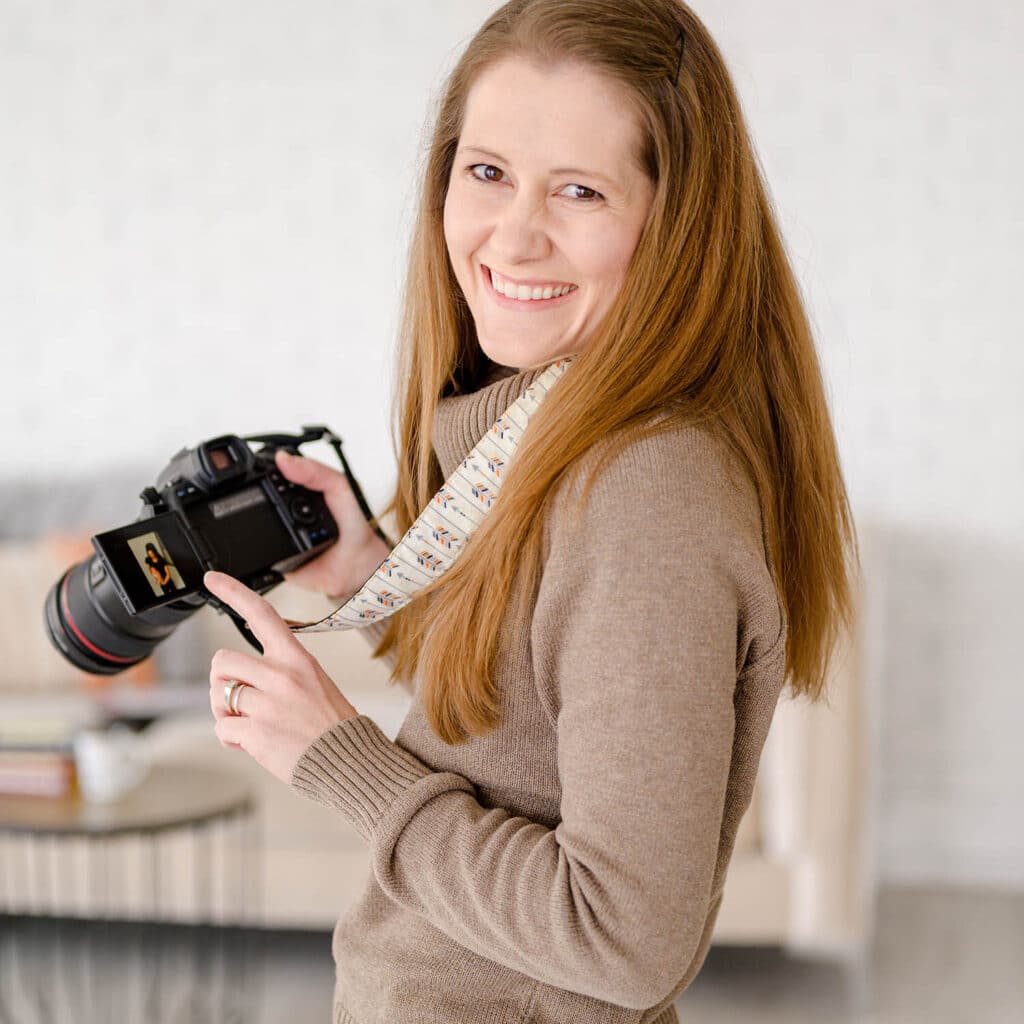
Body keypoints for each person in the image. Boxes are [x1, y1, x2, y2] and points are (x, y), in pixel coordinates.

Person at [204, 1, 860, 1021]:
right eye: (488, 171)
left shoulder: (651, 492)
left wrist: (337, 758)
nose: (513, 235)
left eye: (580, 190)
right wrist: (376, 574)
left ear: (674, 222)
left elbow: (623, 936)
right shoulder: (570, 427)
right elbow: (532, 724)